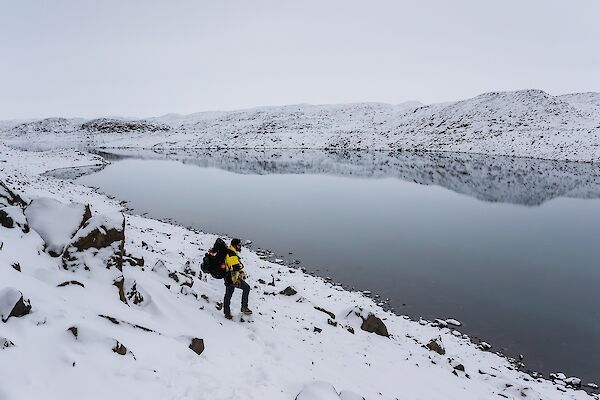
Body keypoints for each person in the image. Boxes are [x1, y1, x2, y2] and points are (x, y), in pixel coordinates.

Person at [223, 238, 252, 319]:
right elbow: (234, 268)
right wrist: (238, 279)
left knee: (228, 294)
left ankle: (227, 313)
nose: (240, 247)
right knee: (246, 288)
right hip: (232, 278)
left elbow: (236, 267)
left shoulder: (231, 252)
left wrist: (241, 272)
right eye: (239, 245)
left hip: (230, 277)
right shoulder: (231, 254)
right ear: (235, 245)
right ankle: (243, 308)